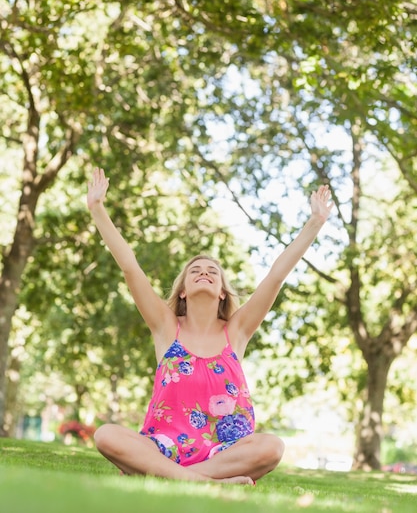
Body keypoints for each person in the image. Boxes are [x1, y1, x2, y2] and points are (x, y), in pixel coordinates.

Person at [87, 167, 333, 485]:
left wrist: (315, 222)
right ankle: (201, 481)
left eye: (212, 271)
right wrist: (97, 208)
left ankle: (170, 477)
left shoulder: (237, 331)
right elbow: (130, 266)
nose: (204, 271)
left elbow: (276, 276)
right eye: (196, 270)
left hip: (223, 453)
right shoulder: (165, 326)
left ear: (221, 292)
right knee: (106, 435)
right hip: (163, 448)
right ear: (183, 291)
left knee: (272, 446)